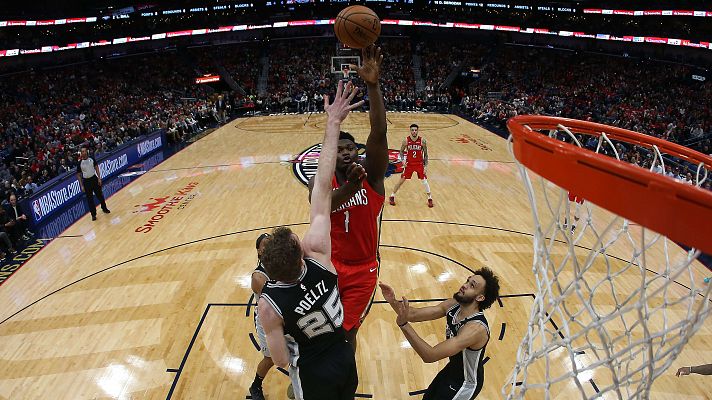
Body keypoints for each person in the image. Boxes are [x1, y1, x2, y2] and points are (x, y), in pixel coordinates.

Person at [259, 80, 363, 400]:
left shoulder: (269, 304)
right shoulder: (318, 254)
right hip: (344, 356)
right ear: (300, 252)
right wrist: (333, 123)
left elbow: (280, 359)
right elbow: (320, 186)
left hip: (313, 370)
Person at [307, 45, 388, 352]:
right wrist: (350, 190)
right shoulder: (320, 181)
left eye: (350, 149)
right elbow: (323, 206)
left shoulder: (374, 177)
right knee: (320, 328)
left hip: (363, 270)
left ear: (358, 152)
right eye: (338, 149)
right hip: (329, 265)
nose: (345, 152)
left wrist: (373, 86)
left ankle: (342, 384)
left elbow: (379, 133)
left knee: (346, 333)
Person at [379, 267, 500, 399]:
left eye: (472, 285)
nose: (464, 285)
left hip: (464, 384)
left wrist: (404, 325)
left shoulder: (475, 329)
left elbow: (430, 355)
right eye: (467, 281)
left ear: (480, 297)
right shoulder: (454, 305)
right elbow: (413, 314)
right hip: (451, 371)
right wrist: (392, 300)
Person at [249, 232, 277, 400]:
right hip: (266, 321)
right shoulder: (258, 276)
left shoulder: (280, 264)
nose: (269, 247)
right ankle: (255, 386)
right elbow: (276, 300)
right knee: (271, 358)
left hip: (281, 316)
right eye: (265, 245)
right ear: (259, 251)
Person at [389, 123, 433, 207]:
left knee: (424, 181)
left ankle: (430, 198)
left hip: (419, 164)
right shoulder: (406, 140)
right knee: (401, 180)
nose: (414, 131)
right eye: (412, 130)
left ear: (417, 131)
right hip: (409, 164)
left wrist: (426, 166)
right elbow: (401, 152)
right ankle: (392, 196)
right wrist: (402, 161)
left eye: (415, 130)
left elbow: (426, 155)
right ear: (410, 131)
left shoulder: (422, 141)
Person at [76, 147, 110, 221]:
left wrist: (99, 177)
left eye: (84, 151)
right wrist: (81, 185)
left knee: (100, 195)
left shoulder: (92, 159)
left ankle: (104, 208)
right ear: (81, 153)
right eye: (82, 152)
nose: (83, 153)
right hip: (86, 181)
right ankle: (93, 214)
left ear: (86, 152)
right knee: (90, 199)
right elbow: (78, 175)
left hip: (94, 179)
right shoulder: (79, 163)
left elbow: (96, 167)